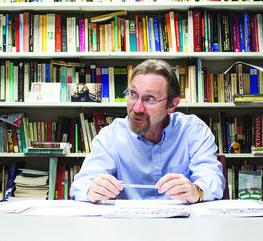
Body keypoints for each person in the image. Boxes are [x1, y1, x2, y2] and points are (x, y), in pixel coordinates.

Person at [71, 59, 224, 203]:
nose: (136, 108)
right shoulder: (110, 137)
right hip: (128, 226)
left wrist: (197, 191)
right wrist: (91, 189)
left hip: (182, 226)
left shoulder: (193, 131)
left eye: (149, 98)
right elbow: (80, 185)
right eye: (132, 94)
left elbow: (212, 179)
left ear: (172, 105)